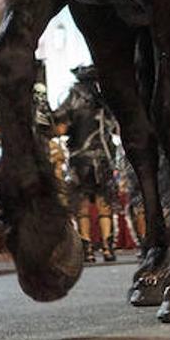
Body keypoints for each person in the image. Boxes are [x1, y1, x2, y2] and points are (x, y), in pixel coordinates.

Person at [56, 64, 122, 264]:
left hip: (81, 157)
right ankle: (107, 248)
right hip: (103, 157)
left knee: (83, 204)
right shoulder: (105, 98)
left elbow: (60, 127)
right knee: (104, 203)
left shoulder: (73, 98)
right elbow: (117, 128)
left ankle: (88, 248)